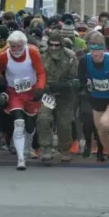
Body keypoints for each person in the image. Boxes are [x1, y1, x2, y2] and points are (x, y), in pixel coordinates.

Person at [0, 30, 46, 170]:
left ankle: (27, 146)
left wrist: (40, 88)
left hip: (31, 92)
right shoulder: (4, 55)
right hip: (14, 92)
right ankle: (21, 158)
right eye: (13, 46)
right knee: (18, 123)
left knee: (29, 126)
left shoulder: (33, 52)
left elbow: (40, 72)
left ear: (24, 44)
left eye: (19, 46)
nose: (16, 49)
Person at [79, 32, 109, 171]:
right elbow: (81, 77)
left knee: (105, 123)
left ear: (104, 49)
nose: (96, 54)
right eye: (93, 50)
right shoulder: (84, 60)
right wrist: (85, 86)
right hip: (97, 97)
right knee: (101, 132)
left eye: (99, 50)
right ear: (89, 49)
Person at [37, 31, 79, 163]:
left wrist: (62, 85)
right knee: (43, 118)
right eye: (51, 45)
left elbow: (76, 80)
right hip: (48, 94)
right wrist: (43, 89)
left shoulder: (70, 56)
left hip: (66, 95)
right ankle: (45, 148)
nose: (54, 48)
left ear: (62, 45)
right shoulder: (42, 56)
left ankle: (65, 149)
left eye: (57, 45)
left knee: (64, 124)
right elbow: (38, 74)